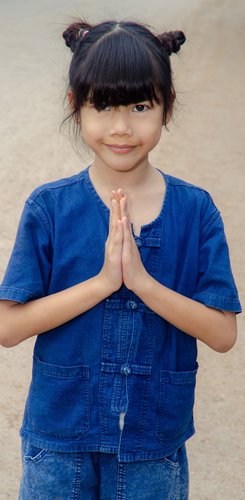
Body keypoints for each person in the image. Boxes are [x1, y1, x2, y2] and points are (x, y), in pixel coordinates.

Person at [0, 18, 242, 500]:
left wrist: (144, 284)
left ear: (165, 107)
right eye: (103, 106)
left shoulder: (196, 210)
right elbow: (8, 327)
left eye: (140, 106)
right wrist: (105, 281)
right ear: (77, 106)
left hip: (153, 445)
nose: (121, 127)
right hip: (59, 442)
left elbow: (223, 333)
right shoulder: (49, 208)